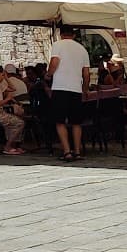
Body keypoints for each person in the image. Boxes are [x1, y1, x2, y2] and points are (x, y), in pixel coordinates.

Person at [48, 26, 90, 161]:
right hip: (76, 89)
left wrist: (48, 75)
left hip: (60, 87)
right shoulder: (82, 49)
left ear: (60, 34)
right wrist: (85, 89)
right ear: (74, 35)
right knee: (76, 122)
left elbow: (54, 62)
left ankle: (67, 151)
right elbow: (86, 74)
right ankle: (77, 151)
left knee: (60, 121)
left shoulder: (57, 45)